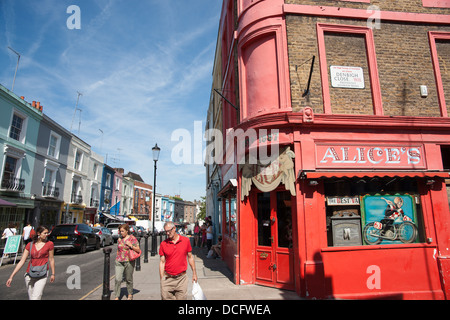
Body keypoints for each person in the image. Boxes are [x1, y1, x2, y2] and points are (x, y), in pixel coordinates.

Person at [6, 226, 55, 300]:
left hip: (42, 273)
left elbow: (51, 259)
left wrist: (53, 274)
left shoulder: (49, 244)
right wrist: (11, 276)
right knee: (32, 297)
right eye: (45, 233)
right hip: (30, 274)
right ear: (39, 233)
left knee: (36, 297)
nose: (47, 235)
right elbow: (22, 261)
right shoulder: (30, 245)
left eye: (47, 233)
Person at [159, 221, 198, 300]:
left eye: (169, 231)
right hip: (167, 278)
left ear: (174, 229)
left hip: (181, 279)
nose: (167, 233)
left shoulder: (185, 241)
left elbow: (190, 257)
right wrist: (162, 278)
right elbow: (162, 262)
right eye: (165, 231)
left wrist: (194, 273)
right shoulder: (163, 244)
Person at [114, 224, 140, 300]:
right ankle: (117, 296)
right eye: (120, 231)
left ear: (127, 231)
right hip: (119, 261)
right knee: (118, 279)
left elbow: (138, 250)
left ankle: (130, 294)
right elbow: (118, 250)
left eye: (122, 231)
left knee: (128, 279)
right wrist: (117, 257)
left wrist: (131, 245)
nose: (121, 233)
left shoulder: (132, 239)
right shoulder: (119, 239)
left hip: (129, 261)